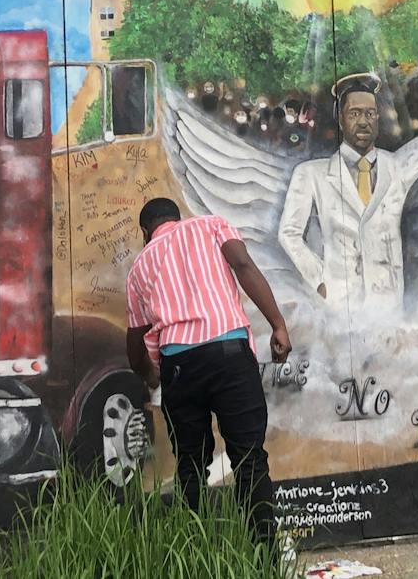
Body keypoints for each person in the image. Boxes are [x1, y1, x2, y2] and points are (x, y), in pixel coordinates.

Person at [125, 198, 292, 544]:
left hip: (178, 368)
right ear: (177, 218)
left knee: (190, 465)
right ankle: (264, 560)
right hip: (229, 357)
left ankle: (195, 555)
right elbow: (243, 264)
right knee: (249, 460)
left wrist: (151, 375)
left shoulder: (140, 266)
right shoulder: (211, 225)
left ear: (145, 231)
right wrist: (277, 324)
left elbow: (135, 345)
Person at [277, 59, 418, 312]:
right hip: (339, 308)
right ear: (340, 119)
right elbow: (289, 233)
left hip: (388, 306)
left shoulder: (397, 167)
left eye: (370, 114)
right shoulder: (310, 174)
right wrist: (319, 280)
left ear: (378, 118)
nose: (363, 121)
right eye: (354, 113)